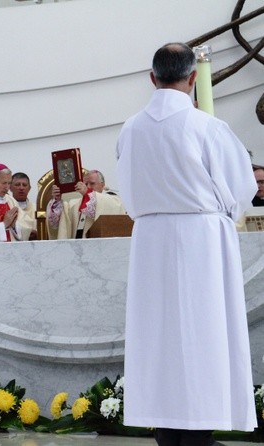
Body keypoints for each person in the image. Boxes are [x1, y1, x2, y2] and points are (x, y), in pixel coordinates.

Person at [116, 42, 257, 446]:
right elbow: (242, 187)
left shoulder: (131, 128)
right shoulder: (207, 127)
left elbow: (127, 189)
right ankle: (198, 430)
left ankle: (167, 428)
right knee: (203, 332)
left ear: (151, 78)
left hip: (150, 241)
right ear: (193, 78)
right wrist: (220, 215)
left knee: (158, 335)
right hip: (200, 240)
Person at [46, 170, 125, 239]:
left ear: (102, 185)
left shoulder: (112, 200)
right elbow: (59, 225)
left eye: (92, 183)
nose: (88, 187)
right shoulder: (73, 204)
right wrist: (57, 200)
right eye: (86, 184)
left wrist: (88, 193)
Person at [11, 172, 38, 240]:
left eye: (24, 185)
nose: (21, 188)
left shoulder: (37, 208)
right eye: (17, 185)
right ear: (10, 188)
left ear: (29, 188)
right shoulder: (7, 207)